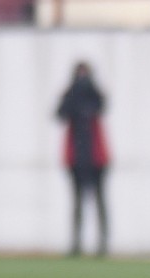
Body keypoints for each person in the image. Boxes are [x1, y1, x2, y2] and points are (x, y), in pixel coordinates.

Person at [56, 61, 110, 257]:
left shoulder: (94, 95)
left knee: (99, 201)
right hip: (76, 157)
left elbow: (102, 106)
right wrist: (73, 94)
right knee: (77, 202)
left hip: (96, 157)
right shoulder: (70, 95)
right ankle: (76, 243)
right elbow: (60, 114)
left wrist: (89, 91)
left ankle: (103, 244)